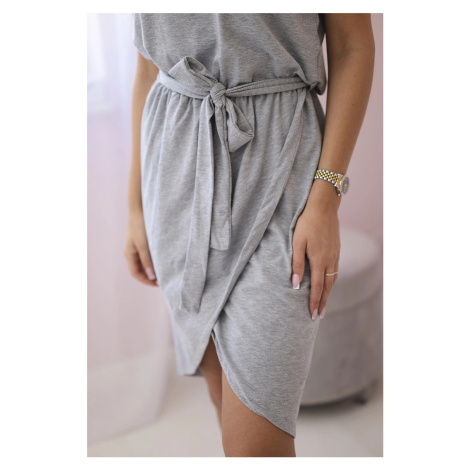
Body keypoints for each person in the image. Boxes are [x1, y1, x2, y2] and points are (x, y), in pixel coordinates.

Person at [125, 13, 375, 457]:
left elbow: (352, 47)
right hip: (178, 171)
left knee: (257, 442)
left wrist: (325, 201)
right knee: (220, 389)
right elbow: (148, 67)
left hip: (283, 171)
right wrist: (135, 208)